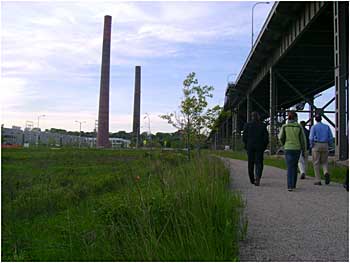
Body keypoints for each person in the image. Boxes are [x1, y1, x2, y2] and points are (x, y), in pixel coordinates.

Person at [278, 111, 307, 191]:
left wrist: (284, 143)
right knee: (294, 166)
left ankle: (290, 185)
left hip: (288, 148)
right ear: (295, 118)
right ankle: (293, 184)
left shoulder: (285, 126)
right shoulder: (299, 127)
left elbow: (280, 137)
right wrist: (304, 149)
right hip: (297, 149)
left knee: (290, 167)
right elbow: (303, 139)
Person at [242, 111, 269, 186]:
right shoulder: (263, 125)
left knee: (250, 163)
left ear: (252, 117)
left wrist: (246, 145)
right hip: (259, 147)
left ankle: (252, 179)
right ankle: (258, 178)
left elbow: (244, 137)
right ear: (258, 117)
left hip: (250, 146)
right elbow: (266, 138)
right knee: (259, 162)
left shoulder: (247, 125)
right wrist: (264, 146)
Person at [309, 114, 333, 185]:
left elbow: (311, 138)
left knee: (316, 163)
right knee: (324, 162)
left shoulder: (314, 127)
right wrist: (330, 145)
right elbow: (331, 137)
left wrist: (311, 145)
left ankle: (318, 180)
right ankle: (326, 172)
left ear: (316, 119)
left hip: (316, 145)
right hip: (325, 145)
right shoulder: (327, 127)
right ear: (321, 119)